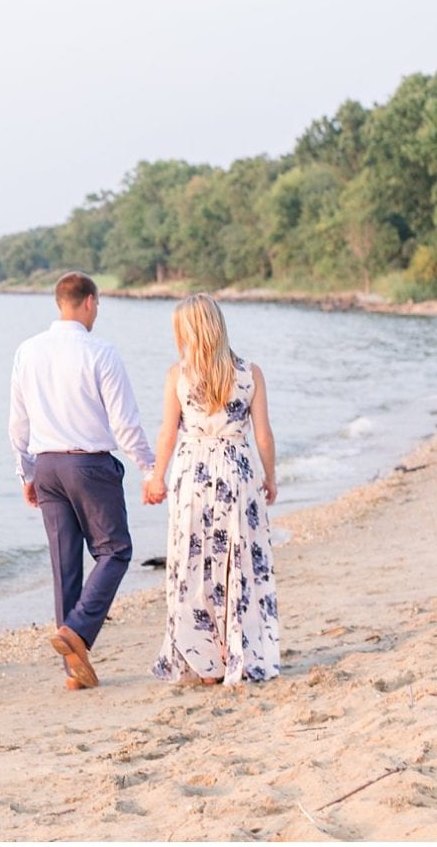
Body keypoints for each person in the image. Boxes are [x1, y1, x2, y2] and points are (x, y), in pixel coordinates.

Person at [9, 271, 156, 690]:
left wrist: (26, 472)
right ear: (89, 302)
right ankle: (76, 629)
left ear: (60, 303)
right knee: (116, 551)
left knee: (65, 566)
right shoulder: (100, 351)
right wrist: (148, 468)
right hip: (89, 465)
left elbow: (17, 421)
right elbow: (125, 423)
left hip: (48, 466)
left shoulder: (28, 351)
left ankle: (75, 672)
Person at [144, 293, 281, 685]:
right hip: (237, 474)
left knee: (194, 562)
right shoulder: (249, 373)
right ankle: (235, 651)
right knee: (234, 561)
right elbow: (264, 436)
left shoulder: (178, 375)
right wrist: (270, 477)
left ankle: (205, 662)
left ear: (187, 331)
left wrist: (157, 477)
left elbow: (167, 433)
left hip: (193, 475)